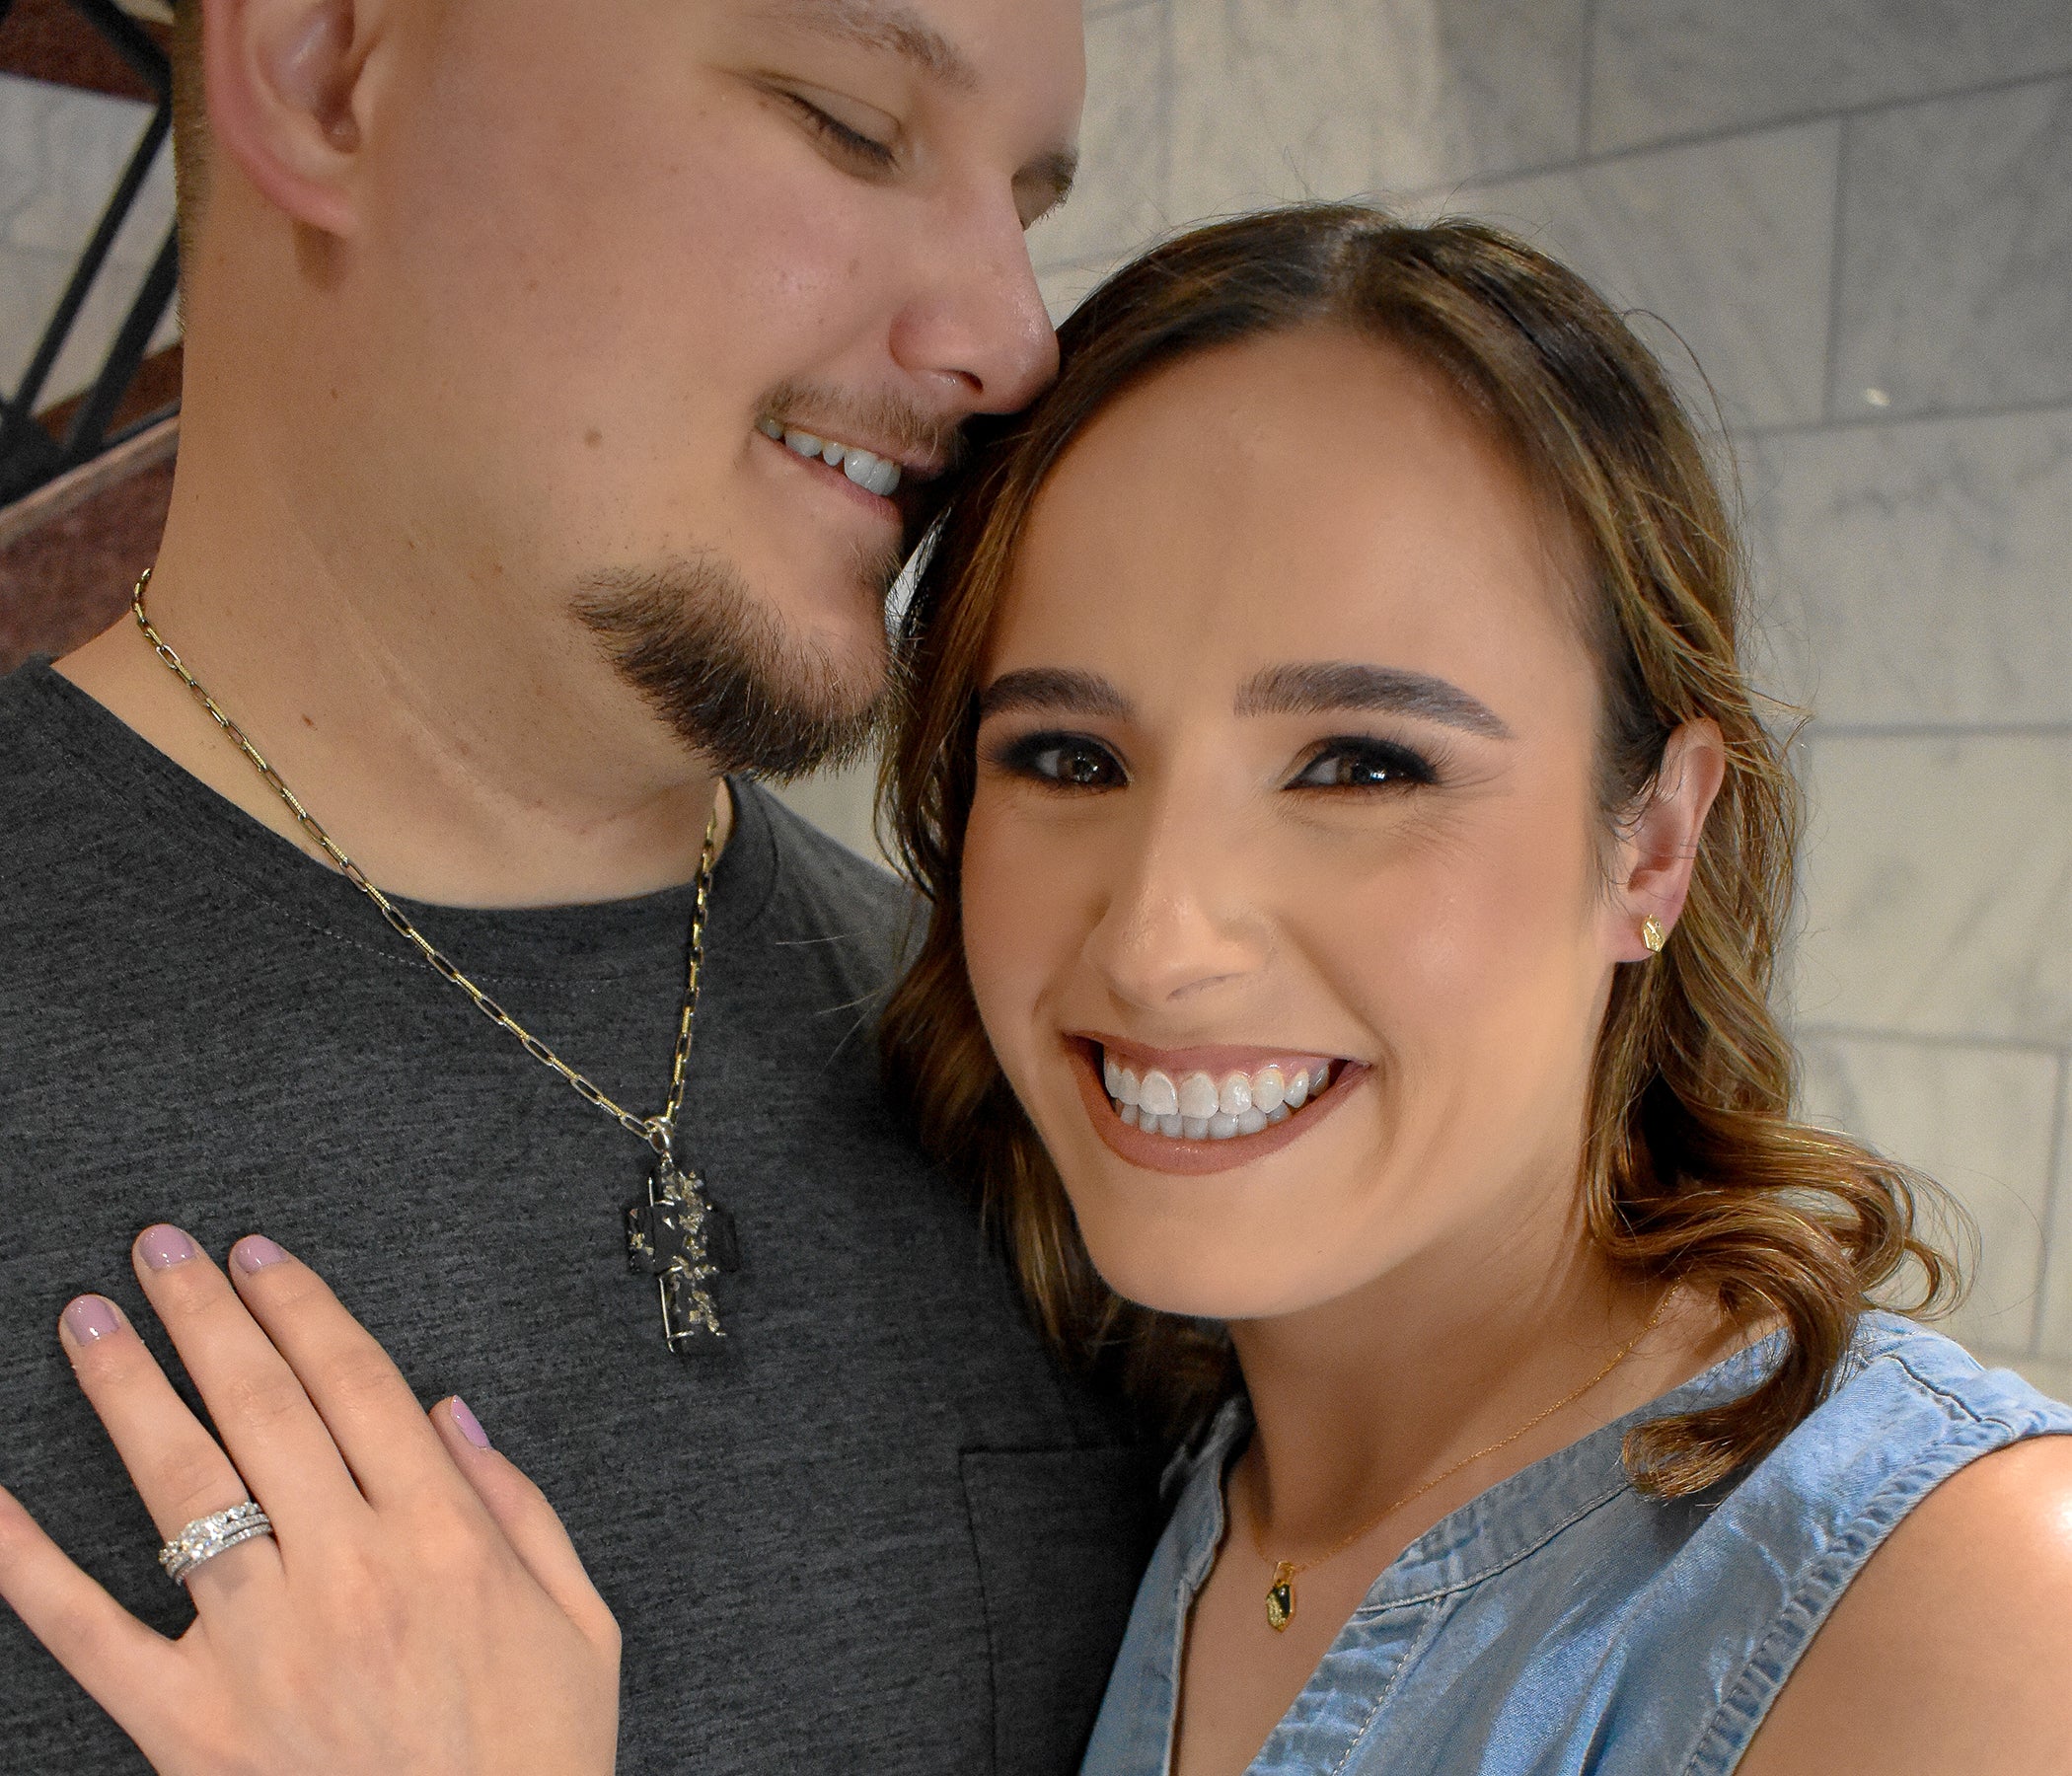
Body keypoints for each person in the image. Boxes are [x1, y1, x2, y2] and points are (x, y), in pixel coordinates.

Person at [0, 1, 1164, 1771]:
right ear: (329, 70)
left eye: (1026, 203)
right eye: (849, 125)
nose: (1014, 340)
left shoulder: (1054, 1085)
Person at [877, 204, 2072, 1771]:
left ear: (1654, 841)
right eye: (1068, 756)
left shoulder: (1960, 1602)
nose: (1158, 941)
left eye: (1362, 766)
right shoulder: (1150, 1488)